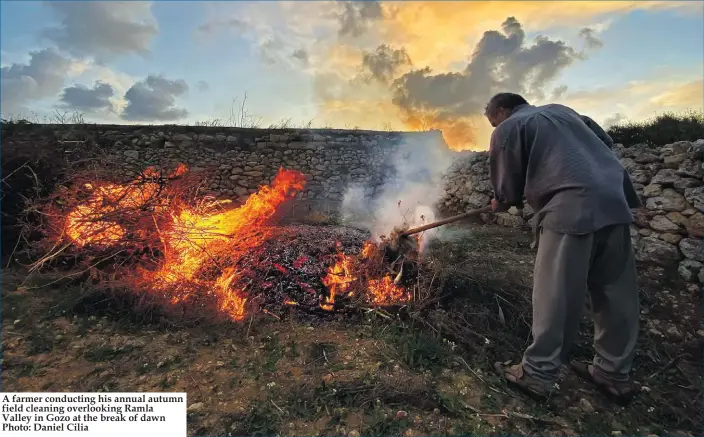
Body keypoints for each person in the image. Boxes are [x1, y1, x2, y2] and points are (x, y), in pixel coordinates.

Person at [485, 92, 641, 402]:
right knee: (616, 290)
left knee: (556, 292)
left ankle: (538, 374)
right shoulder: (564, 112)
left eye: (490, 119)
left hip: (571, 205)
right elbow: (605, 142)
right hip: (614, 199)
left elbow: (506, 188)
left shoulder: (510, 126)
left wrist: (502, 200)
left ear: (501, 110)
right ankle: (613, 373)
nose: (492, 125)